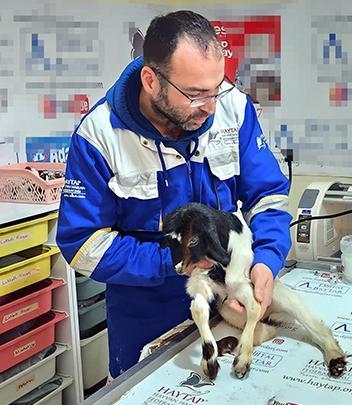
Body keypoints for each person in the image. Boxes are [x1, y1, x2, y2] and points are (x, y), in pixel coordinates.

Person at [56, 10, 291, 379]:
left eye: (217, 88)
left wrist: (267, 259)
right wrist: (179, 259)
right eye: (196, 95)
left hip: (228, 299)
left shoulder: (233, 110)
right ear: (151, 80)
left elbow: (269, 197)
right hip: (147, 314)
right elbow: (82, 245)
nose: (211, 107)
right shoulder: (99, 136)